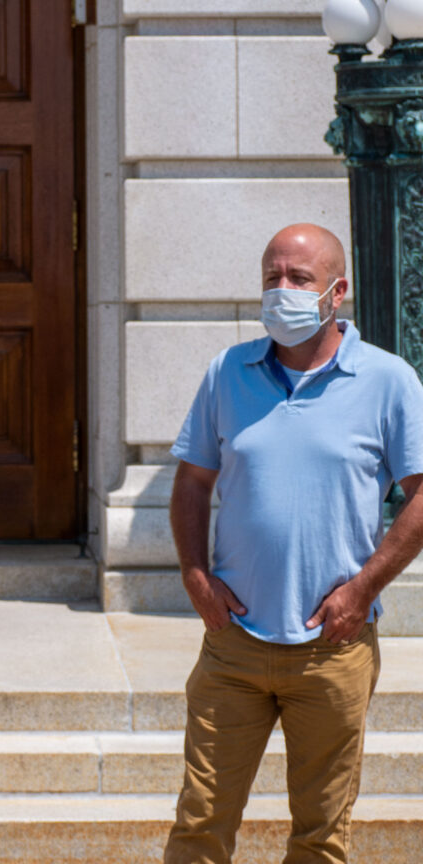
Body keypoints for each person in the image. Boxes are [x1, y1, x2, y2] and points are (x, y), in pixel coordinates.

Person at [163, 224, 423, 864]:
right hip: (234, 642)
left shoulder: (388, 380)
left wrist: (363, 591)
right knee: (199, 825)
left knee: (320, 836)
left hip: (332, 648)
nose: (282, 290)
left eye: (298, 279)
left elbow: (421, 494)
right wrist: (196, 576)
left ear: (337, 292)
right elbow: (192, 483)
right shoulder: (228, 372)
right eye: (271, 278)